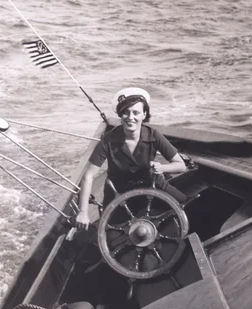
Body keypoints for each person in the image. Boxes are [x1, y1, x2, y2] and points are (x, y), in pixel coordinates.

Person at [75, 87, 186, 230]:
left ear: (144, 115)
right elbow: (88, 176)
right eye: (126, 113)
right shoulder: (108, 140)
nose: (130, 117)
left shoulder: (154, 135)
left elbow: (180, 165)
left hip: (153, 187)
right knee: (109, 233)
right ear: (121, 115)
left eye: (136, 113)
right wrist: (83, 212)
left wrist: (162, 168)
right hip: (119, 195)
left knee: (185, 204)